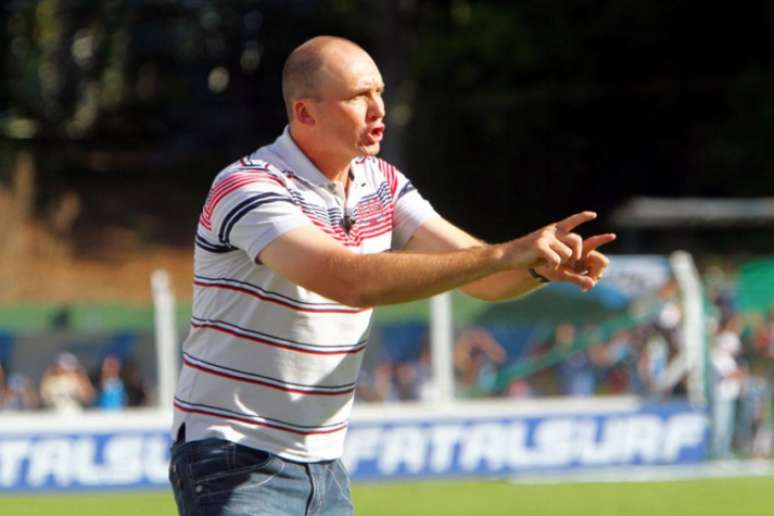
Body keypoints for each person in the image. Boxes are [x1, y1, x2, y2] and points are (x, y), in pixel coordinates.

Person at [168, 35, 615, 516]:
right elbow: (350, 280)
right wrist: (505, 254)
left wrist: (536, 267)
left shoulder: (381, 181)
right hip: (233, 455)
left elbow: (485, 277)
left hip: (326, 464)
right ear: (304, 113)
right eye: (359, 96)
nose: (378, 108)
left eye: (379, 92)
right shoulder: (248, 185)